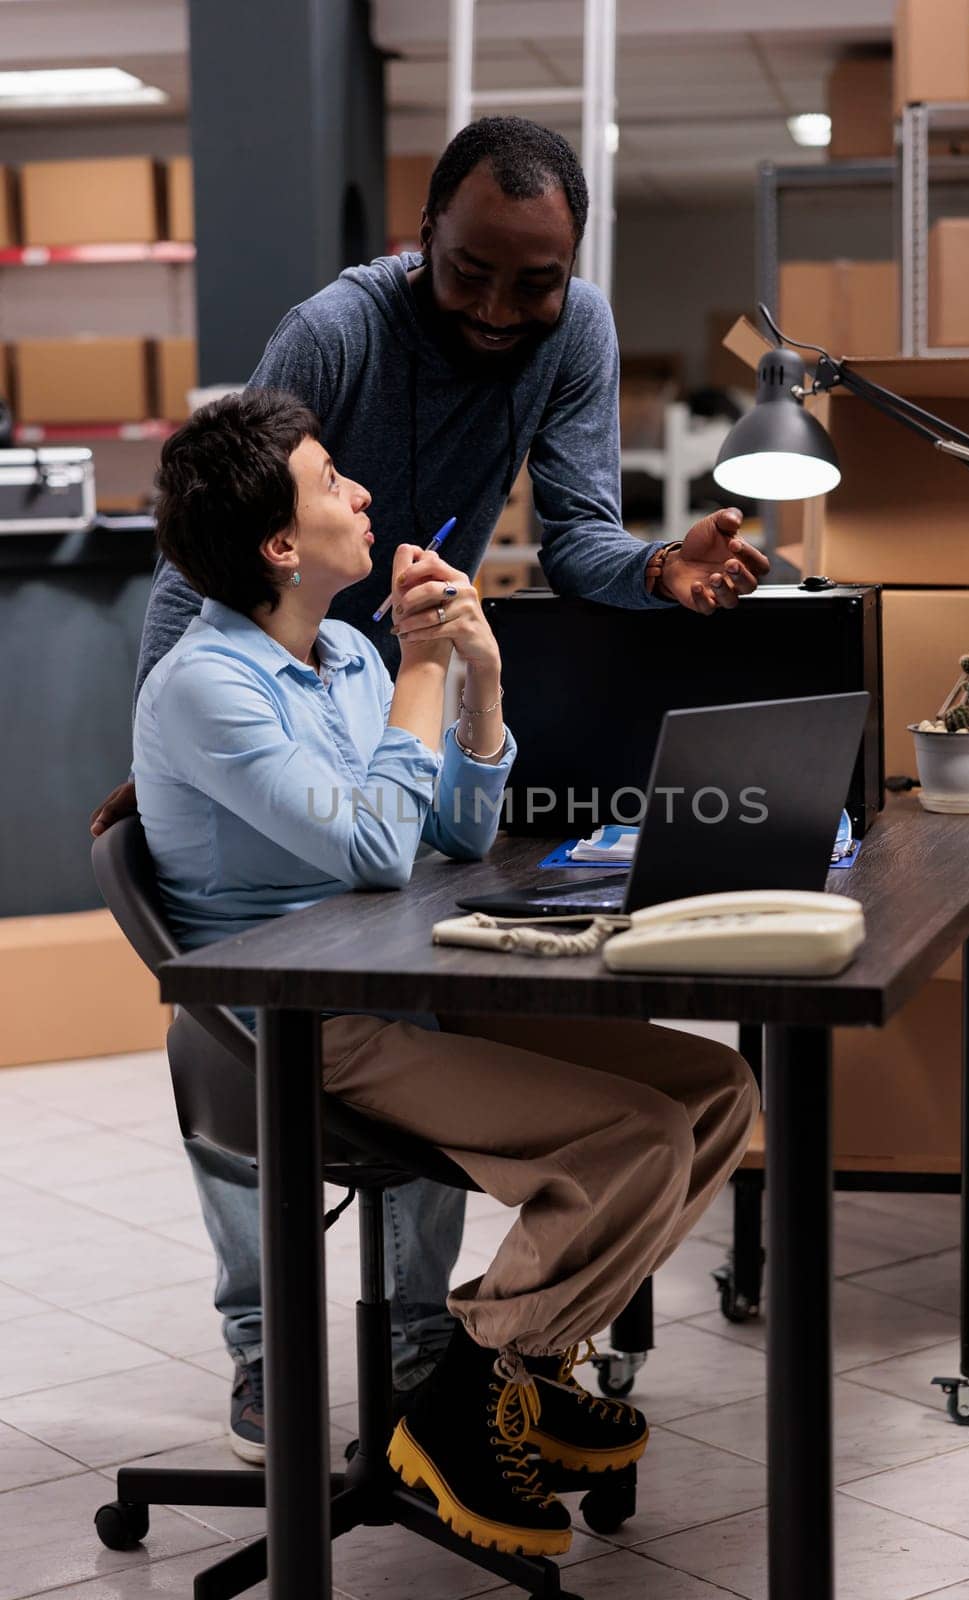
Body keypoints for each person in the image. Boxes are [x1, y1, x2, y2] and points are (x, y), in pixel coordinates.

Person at [91, 115, 769, 1462]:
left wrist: (631, 584)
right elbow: (211, 558)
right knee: (255, 1007)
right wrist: (191, 771)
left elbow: (570, 538)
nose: (502, 311)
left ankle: (443, 1363)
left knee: (473, 1004)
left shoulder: (556, 348)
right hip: (276, 680)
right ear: (423, 245)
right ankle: (273, 1351)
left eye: (536, 283)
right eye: (470, 275)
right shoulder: (333, 340)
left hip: (353, 651)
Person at [133, 388, 758, 1555]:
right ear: (279, 546)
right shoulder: (205, 686)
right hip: (302, 1021)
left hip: (406, 978)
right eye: (331, 483)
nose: (363, 495)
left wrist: (479, 683)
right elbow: (375, 849)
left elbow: (452, 841)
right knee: (627, 1142)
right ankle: (465, 1404)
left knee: (714, 1094)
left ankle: (504, 1367)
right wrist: (422, 667)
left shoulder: (351, 657)